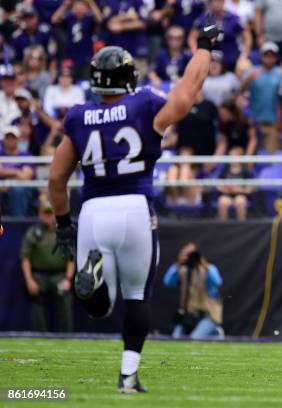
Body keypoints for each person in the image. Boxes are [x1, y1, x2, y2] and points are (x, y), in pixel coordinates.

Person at [47, 23, 222, 392]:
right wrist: (204, 46)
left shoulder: (79, 116)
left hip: (93, 210)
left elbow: (56, 179)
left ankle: (90, 280)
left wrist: (64, 224)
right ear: (126, 76)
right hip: (134, 208)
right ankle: (128, 377)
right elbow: (188, 92)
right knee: (137, 296)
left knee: (100, 307)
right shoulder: (143, 104)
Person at [20, 200, 75, 332]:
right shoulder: (34, 232)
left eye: (50, 213)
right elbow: (25, 258)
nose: (48, 216)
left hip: (59, 275)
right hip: (39, 275)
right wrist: (29, 280)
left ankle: (67, 336)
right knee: (36, 300)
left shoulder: (62, 232)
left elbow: (71, 258)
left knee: (65, 301)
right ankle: (39, 335)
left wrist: (68, 279)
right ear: (40, 214)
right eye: (45, 213)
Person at [163, 242, 224, 338]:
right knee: (175, 338)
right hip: (188, 315)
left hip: (208, 315)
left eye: (191, 254)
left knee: (194, 338)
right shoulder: (182, 269)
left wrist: (202, 263)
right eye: (186, 254)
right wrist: (178, 263)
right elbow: (168, 282)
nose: (189, 257)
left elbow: (218, 282)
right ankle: (211, 333)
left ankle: (215, 333)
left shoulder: (207, 268)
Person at [240, 42, 282, 152]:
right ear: (261, 56)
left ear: (276, 57)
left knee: (272, 155)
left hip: (272, 122)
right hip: (254, 122)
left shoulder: (280, 73)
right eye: (266, 55)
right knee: (252, 153)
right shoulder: (252, 71)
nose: (269, 58)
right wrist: (248, 80)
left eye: (271, 55)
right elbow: (241, 92)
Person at [51, 0, 103, 79]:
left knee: (85, 82)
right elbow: (54, 20)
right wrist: (65, 5)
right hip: (70, 57)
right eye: (76, 6)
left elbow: (99, 19)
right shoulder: (69, 19)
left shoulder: (89, 19)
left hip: (86, 57)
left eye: (82, 6)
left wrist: (91, 3)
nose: (79, 8)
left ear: (86, 8)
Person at [0, 126, 35, 216]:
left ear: (18, 139)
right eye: (8, 138)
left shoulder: (26, 155)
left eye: (13, 138)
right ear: (4, 139)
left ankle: (18, 224)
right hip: (3, 187)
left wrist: (8, 180)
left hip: (19, 189)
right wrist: (17, 172)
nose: (10, 140)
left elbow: (26, 177)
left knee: (18, 190)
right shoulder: (1, 154)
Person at [217, 146, 252, 220]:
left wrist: (238, 189)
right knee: (222, 201)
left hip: (240, 195)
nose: (232, 158)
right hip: (227, 195)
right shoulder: (225, 170)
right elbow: (219, 186)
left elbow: (249, 190)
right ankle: (222, 226)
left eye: (235, 156)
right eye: (230, 156)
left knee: (240, 201)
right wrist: (226, 189)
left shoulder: (245, 172)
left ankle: (241, 225)